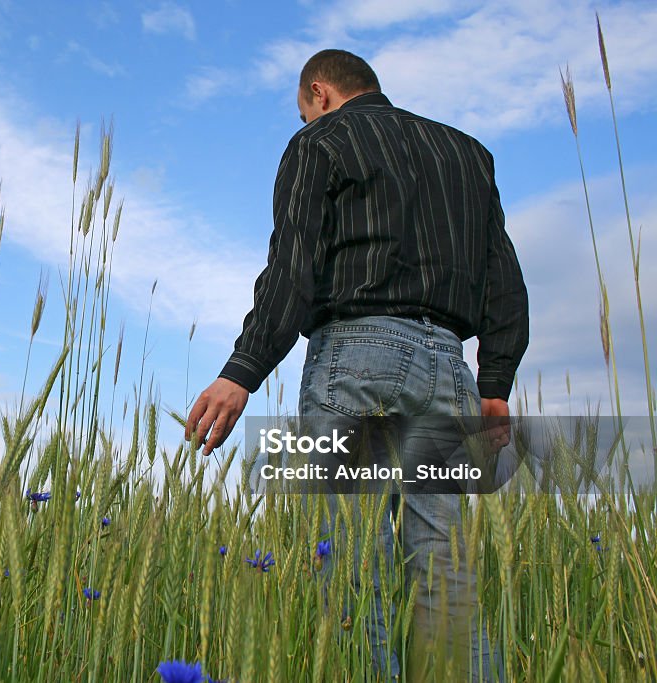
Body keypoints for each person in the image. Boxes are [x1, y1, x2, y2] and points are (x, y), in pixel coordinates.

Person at [184, 49, 529, 680]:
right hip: (450, 369)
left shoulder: (320, 143)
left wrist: (242, 370)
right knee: (444, 564)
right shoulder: (468, 154)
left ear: (319, 93)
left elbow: (293, 271)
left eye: (303, 112)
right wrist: (496, 382)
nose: (305, 122)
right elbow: (505, 283)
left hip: (356, 358)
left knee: (348, 567)